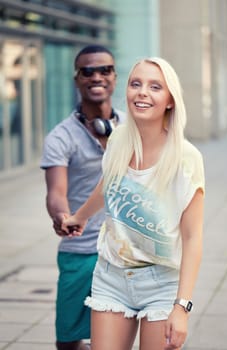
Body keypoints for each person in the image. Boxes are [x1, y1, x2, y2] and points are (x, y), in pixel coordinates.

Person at [62, 56, 205, 350]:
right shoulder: (118, 141)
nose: (142, 92)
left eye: (155, 87)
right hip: (110, 275)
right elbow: (109, 184)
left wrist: (181, 307)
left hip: (161, 282)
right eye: (135, 84)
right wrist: (81, 216)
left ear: (170, 101)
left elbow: (193, 237)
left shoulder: (186, 158)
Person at [40, 44, 124, 350]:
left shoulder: (133, 127)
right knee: (69, 339)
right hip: (81, 251)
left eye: (104, 70)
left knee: (117, 337)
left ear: (114, 77)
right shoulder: (60, 137)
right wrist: (62, 217)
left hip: (126, 253)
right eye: (87, 71)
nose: (96, 77)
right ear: (77, 79)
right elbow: (56, 192)